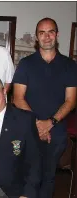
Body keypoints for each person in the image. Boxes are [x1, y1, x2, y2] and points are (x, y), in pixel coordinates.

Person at [12, 17, 77, 198]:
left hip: (56, 131)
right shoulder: (26, 64)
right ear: (36, 37)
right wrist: (38, 124)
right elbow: (18, 98)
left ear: (57, 35)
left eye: (50, 32)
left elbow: (71, 101)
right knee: (28, 176)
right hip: (28, 129)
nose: (46, 37)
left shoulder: (70, 66)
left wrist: (50, 122)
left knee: (48, 177)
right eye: (42, 32)